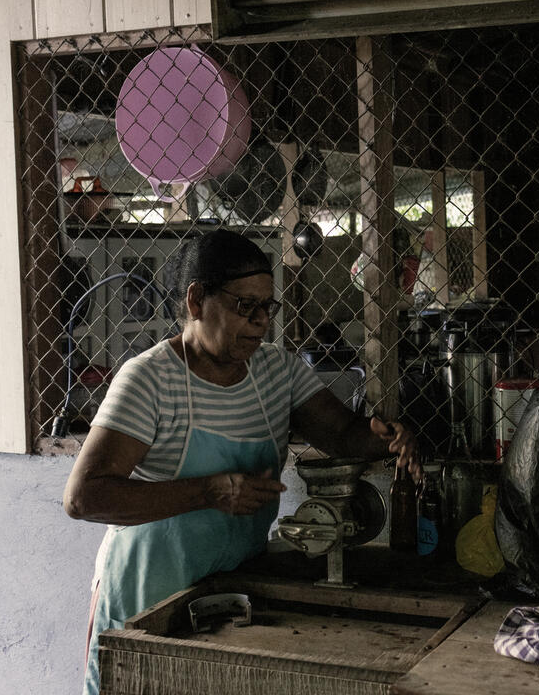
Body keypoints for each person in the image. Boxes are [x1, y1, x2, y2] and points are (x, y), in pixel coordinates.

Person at [64, 229, 418, 695]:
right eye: (242, 306)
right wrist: (209, 491)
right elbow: (84, 497)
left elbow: (342, 435)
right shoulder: (149, 380)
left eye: (266, 308)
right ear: (196, 300)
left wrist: (386, 439)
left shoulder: (277, 371)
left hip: (233, 602)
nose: (258, 323)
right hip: (149, 604)